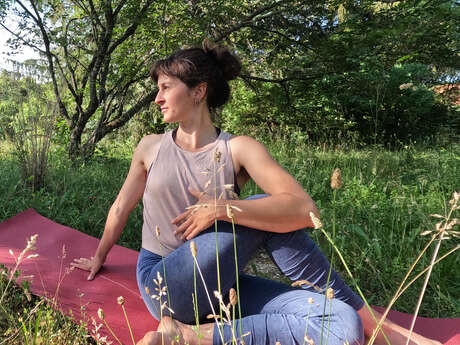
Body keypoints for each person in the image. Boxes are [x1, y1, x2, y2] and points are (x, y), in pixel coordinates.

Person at [72, 40, 442, 345]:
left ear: (199, 91)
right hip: (165, 282)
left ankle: (185, 337)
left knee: (341, 326)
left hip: (221, 288)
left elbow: (305, 210)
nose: (157, 98)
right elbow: (122, 204)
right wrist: (98, 257)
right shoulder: (150, 147)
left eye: (166, 87)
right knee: (259, 208)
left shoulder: (239, 149)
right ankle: (381, 330)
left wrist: (222, 209)